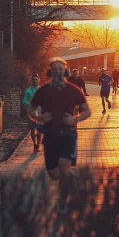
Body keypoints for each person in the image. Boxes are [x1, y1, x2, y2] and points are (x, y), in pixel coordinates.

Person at [27, 58, 91, 216]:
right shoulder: (42, 91)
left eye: (61, 69)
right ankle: (70, 175)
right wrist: (40, 118)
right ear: (50, 72)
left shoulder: (73, 90)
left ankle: (63, 201)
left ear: (66, 72)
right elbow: (30, 110)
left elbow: (87, 111)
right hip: (49, 136)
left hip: (68, 134)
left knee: (63, 166)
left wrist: (74, 119)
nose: (58, 72)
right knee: (54, 174)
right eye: (54, 70)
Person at [22, 74, 42, 153]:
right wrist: (30, 103)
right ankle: (34, 144)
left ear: (39, 80)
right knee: (32, 131)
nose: (35, 81)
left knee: (40, 131)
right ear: (31, 80)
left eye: (36, 79)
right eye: (33, 79)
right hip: (31, 114)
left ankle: (38, 146)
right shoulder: (28, 90)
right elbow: (23, 101)